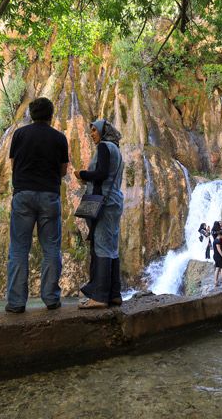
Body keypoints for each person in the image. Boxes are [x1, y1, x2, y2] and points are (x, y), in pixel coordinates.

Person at [6, 97, 69, 313]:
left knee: (18, 248)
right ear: (51, 115)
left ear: (31, 114)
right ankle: (51, 298)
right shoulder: (59, 138)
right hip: (49, 196)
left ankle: (15, 303)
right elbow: (63, 170)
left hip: (23, 194)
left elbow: (13, 164)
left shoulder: (19, 134)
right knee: (51, 248)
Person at [75, 119, 125, 308]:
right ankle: (114, 294)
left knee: (102, 246)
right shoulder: (117, 151)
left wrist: (82, 175)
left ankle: (100, 297)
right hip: (114, 202)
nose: (92, 134)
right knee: (111, 247)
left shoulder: (104, 147)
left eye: (95, 130)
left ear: (104, 131)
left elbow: (102, 174)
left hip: (102, 202)